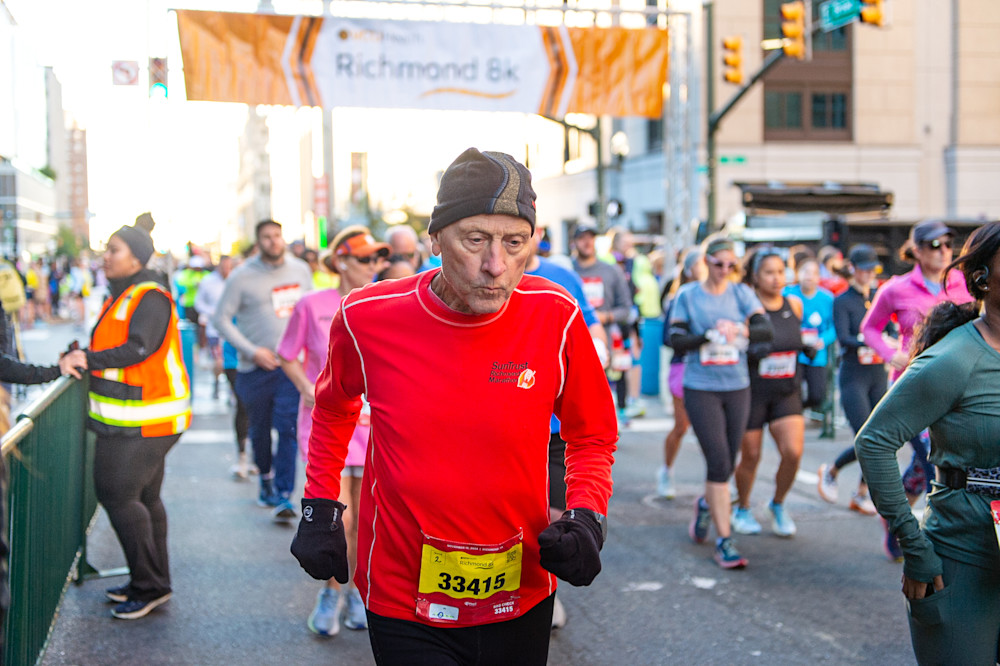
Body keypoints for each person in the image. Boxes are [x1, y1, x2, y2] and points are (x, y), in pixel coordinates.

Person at [290, 148, 617, 664]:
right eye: (475, 240)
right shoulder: (367, 317)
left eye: (515, 243)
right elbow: (333, 407)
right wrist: (319, 505)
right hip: (402, 590)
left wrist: (587, 515)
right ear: (435, 238)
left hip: (521, 584)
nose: (496, 265)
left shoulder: (556, 314)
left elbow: (592, 433)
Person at [855, 221, 1000, 665]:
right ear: (982, 279)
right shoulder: (954, 358)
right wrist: (914, 547)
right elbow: (874, 442)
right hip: (962, 557)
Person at [61, 212, 191, 620]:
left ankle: (149, 584)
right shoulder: (124, 294)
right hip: (135, 417)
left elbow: (140, 348)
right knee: (145, 498)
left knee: (118, 496)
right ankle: (151, 583)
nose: (105, 256)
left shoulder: (149, 295)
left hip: (148, 419)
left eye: (113, 250)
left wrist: (87, 357)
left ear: (136, 258)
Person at [279, 228, 388, 637]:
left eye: (376, 260)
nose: (372, 267)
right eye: (363, 259)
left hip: (375, 431)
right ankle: (330, 593)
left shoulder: (386, 303)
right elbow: (287, 355)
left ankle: (358, 593)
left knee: (365, 523)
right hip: (327, 432)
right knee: (334, 522)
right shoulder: (311, 304)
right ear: (340, 261)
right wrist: (309, 390)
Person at [860, 220, 973, 559]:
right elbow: (870, 329)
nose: (943, 252)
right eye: (935, 246)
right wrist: (889, 354)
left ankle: (896, 522)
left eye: (948, 245)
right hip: (915, 388)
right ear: (918, 251)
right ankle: (925, 535)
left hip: (958, 387)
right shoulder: (896, 288)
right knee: (930, 458)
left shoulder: (963, 284)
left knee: (925, 467)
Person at [524, 220, 607, 630]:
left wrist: (601, 351)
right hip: (507, 426)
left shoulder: (559, 278)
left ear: (537, 234)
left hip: (555, 425)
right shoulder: (478, 276)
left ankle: (545, 589)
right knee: (513, 515)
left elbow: (590, 325)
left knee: (555, 515)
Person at [669, 236, 770, 568]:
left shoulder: (741, 293)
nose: (725, 270)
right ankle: (725, 541)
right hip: (701, 387)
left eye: (731, 265)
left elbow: (764, 329)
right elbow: (675, 338)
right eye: (718, 264)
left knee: (730, 461)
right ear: (705, 262)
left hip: (736, 385)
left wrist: (743, 330)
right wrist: (707, 336)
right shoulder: (688, 295)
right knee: (717, 461)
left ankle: (705, 504)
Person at [213, 220, 313, 521]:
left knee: (288, 428)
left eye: (277, 236)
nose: (273, 241)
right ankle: (266, 480)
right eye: (267, 237)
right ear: (259, 242)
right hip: (253, 369)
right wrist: (252, 351)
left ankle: (284, 495)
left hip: (290, 367)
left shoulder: (300, 271)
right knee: (259, 429)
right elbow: (221, 319)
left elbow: (307, 312)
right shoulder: (242, 277)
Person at [732, 248, 809, 538]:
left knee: (793, 451)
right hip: (752, 391)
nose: (777, 278)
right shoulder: (747, 309)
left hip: (786, 390)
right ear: (755, 276)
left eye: (781, 271)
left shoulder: (794, 304)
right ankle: (742, 507)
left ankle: (777, 503)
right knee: (750, 456)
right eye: (769, 272)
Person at [817, 244, 886, 515]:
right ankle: (832, 470)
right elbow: (844, 336)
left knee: (880, 437)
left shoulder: (879, 295)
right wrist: (867, 341)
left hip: (877, 372)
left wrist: (886, 341)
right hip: (854, 372)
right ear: (852, 269)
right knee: (865, 436)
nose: (868, 274)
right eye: (864, 269)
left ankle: (861, 493)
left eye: (872, 269)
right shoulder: (843, 300)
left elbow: (889, 327)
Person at [572, 223, 634, 423]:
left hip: (602, 343)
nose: (587, 242)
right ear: (574, 242)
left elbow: (626, 308)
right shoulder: (567, 271)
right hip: (570, 343)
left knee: (601, 392)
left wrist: (603, 317)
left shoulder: (611, 271)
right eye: (582, 238)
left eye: (591, 237)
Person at [657, 249, 704, 499]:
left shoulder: (724, 297)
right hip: (684, 366)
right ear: (689, 270)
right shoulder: (679, 298)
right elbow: (668, 338)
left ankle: (717, 484)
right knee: (681, 426)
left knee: (711, 430)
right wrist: (704, 338)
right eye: (701, 264)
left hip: (714, 369)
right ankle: (666, 470)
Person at [784, 257, 835, 411]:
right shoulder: (787, 294)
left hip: (817, 353)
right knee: (792, 390)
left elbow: (834, 326)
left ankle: (800, 409)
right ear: (798, 273)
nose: (809, 276)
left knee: (817, 394)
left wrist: (823, 340)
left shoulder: (827, 298)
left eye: (814, 272)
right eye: (806, 271)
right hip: (795, 351)